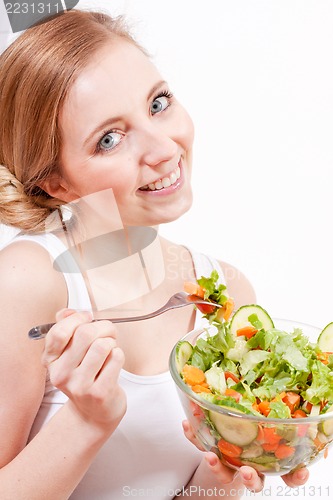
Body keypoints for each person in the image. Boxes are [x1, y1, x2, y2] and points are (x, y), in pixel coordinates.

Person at [0, 9, 309, 499]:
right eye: (109, 138)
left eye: (158, 103)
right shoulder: (29, 281)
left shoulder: (224, 295)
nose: (163, 148)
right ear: (55, 183)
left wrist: (230, 466)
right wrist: (85, 422)